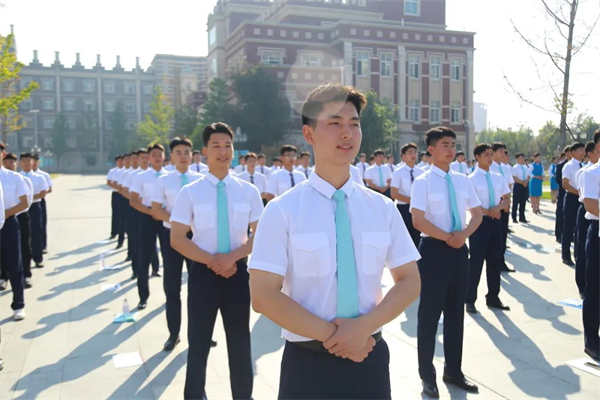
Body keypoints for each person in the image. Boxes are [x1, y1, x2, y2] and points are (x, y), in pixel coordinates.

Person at [249, 82, 420, 399]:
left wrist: (363, 328)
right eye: (334, 123)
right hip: (308, 365)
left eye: (354, 124)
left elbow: (410, 280)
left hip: (370, 357)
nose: (347, 133)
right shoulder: (282, 210)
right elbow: (263, 295)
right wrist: (338, 336)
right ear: (309, 134)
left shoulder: (381, 208)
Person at [171, 122, 263, 400]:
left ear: (234, 151)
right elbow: (178, 238)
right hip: (203, 274)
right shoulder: (190, 192)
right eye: (216, 146)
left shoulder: (248, 191)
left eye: (227, 146)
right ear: (204, 152)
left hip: (237, 274)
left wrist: (231, 258)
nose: (223, 152)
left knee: (240, 342)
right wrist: (214, 261)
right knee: (198, 343)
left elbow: (260, 236)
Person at [411, 127, 482, 398]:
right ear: (431, 149)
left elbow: (476, 214)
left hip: (459, 250)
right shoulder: (423, 182)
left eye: (453, 144)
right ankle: (427, 377)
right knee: (429, 316)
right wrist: (448, 237)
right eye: (445, 145)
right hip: (433, 251)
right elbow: (418, 220)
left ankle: (454, 370)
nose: (451, 149)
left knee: (455, 313)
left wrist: (462, 235)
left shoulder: (462, 180)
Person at [151, 137, 210, 351]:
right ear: (171, 156)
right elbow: (156, 210)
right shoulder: (163, 180)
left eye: (187, 152)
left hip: (197, 237)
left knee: (200, 288)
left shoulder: (202, 179)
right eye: (178, 153)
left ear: (193, 155)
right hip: (173, 238)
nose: (183, 157)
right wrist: (179, 224)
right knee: (172, 287)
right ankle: (173, 333)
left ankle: (201, 333)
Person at [466, 144, 511, 315]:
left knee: (494, 261)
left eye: (491, 154)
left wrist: (498, 208)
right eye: (486, 155)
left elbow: (507, 197)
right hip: (479, 223)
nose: (490, 158)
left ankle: (493, 297)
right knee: (476, 263)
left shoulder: (498, 177)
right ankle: (470, 299)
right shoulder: (471, 179)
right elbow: (470, 204)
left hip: (495, 223)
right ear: (477, 157)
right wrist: (488, 211)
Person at [130, 144, 167, 310]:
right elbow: (133, 201)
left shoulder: (170, 176)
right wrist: (151, 212)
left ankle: (170, 295)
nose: (157, 158)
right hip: (147, 217)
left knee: (169, 259)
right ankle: (143, 296)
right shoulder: (142, 177)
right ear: (149, 158)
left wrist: (161, 214)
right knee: (144, 257)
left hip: (166, 218)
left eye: (160, 154)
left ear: (164, 156)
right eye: (154, 155)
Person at [0, 142, 29, 321]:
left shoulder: (14, 178)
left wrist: (6, 213)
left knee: (14, 264)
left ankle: (18, 304)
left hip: (9, 223)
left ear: (3, 155)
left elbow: (24, 203)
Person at [580, 129, 600, 363]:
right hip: (598, 234)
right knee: (595, 288)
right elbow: (591, 205)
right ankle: (592, 341)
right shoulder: (592, 173)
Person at [2, 153, 33, 289]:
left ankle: (26, 274)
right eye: (6, 162)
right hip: (3, 218)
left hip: (19, 216)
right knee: (3, 249)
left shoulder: (21, 179)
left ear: (16, 164)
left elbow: (27, 202)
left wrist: (10, 212)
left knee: (24, 246)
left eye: (11, 162)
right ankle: (3, 275)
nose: (8, 165)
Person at [573, 142, 598, 296]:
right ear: (591, 154)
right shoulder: (584, 172)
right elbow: (586, 198)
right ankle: (582, 285)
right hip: (587, 211)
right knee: (583, 249)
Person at [391, 143, 424, 248]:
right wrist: (410, 200)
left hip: (418, 208)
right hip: (404, 208)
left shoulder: (422, 172)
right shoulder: (398, 172)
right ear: (403, 156)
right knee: (405, 236)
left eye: (415, 152)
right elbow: (394, 193)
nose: (413, 155)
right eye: (410, 152)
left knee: (418, 235)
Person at [19, 153, 48, 269]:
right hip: (20, 209)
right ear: (20, 163)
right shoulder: (17, 177)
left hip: (35, 207)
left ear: (33, 163)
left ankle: (38, 258)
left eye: (29, 161)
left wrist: (28, 199)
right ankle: (23, 260)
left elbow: (42, 193)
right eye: (24, 161)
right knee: (23, 234)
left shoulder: (39, 177)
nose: (26, 163)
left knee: (36, 232)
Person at [491, 143, 515, 273]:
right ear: (493, 152)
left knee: (503, 234)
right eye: (500, 151)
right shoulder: (490, 167)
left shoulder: (506, 168)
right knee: (495, 236)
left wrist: (507, 203)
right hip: (495, 206)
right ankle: (494, 262)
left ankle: (501, 261)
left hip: (504, 205)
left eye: (504, 152)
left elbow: (509, 186)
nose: (503, 154)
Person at [561, 142, 585, 266]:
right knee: (568, 227)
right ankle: (566, 255)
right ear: (573, 152)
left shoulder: (584, 165)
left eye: (583, 149)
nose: (583, 152)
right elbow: (565, 184)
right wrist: (578, 193)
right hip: (571, 198)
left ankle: (578, 255)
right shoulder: (568, 166)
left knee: (579, 228)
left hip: (582, 199)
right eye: (580, 150)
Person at [555, 146, 572, 243]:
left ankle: (570, 235)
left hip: (573, 195)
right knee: (560, 215)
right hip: (563, 193)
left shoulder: (578, 165)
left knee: (570, 216)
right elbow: (558, 180)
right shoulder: (560, 166)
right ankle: (559, 234)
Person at [107, 155, 124, 239]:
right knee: (115, 213)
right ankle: (114, 231)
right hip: (116, 193)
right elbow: (109, 182)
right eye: (118, 161)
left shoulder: (127, 171)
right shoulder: (113, 171)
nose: (120, 162)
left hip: (125, 194)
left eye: (121, 160)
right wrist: (118, 189)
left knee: (124, 214)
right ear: (116, 162)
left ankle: (124, 231)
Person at [511, 153, 530, 224]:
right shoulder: (515, 167)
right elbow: (514, 177)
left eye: (523, 158)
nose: (522, 159)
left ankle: (522, 217)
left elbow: (529, 176)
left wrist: (526, 182)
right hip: (518, 185)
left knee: (523, 202)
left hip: (525, 186)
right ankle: (514, 217)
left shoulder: (525, 167)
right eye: (521, 158)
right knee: (515, 202)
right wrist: (522, 182)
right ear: (517, 159)